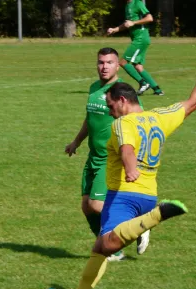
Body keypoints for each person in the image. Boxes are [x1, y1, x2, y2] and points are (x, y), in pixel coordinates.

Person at [68, 51, 196, 289]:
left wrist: (130, 169)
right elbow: (193, 103)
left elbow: (126, 147)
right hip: (147, 195)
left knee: (107, 245)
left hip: (124, 195)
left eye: (111, 105)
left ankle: (157, 216)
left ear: (123, 101)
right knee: (98, 250)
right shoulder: (159, 117)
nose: (110, 110)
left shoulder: (123, 123)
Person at [65, 47, 150, 263]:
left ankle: (138, 224)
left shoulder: (122, 91)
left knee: (96, 204)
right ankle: (113, 249)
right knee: (86, 206)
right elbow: (90, 119)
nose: (104, 67)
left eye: (109, 62)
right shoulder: (94, 88)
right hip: (93, 156)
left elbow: (139, 118)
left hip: (111, 157)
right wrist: (76, 141)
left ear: (117, 65)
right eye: (101, 62)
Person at [107, 0, 164, 96]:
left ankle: (143, 83)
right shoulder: (127, 5)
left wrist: (134, 22)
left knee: (123, 62)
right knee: (138, 66)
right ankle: (157, 90)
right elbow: (127, 24)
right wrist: (114, 29)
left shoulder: (137, 3)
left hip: (140, 38)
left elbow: (149, 18)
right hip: (139, 39)